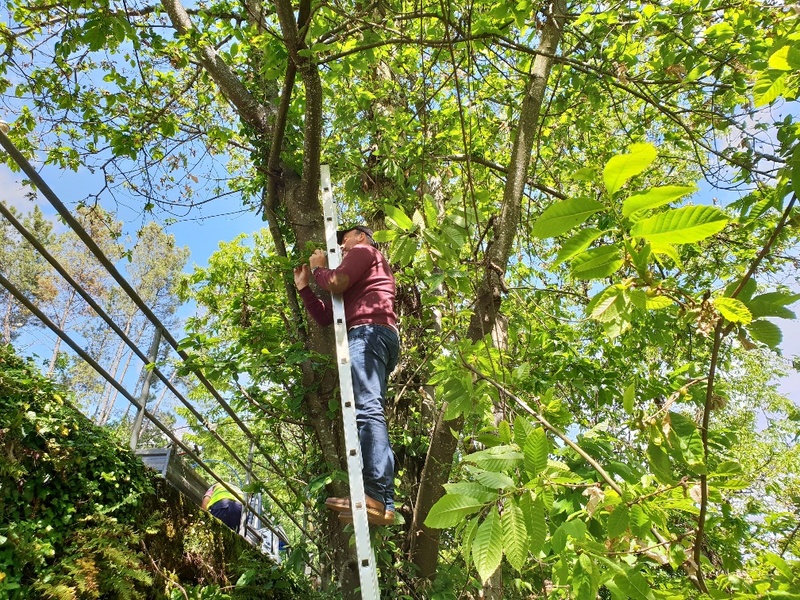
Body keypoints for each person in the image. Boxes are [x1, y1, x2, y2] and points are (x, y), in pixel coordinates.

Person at [293, 224, 400, 526]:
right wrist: (304, 287)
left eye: (344, 240)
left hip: (368, 333)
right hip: (373, 334)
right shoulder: (362, 281)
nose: (341, 247)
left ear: (361, 237)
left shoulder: (366, 251)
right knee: (370, 410)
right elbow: (327, 315)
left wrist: (317, 270)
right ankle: (385, 504)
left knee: (368, 411)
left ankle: (376, 497)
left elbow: (336, 281)